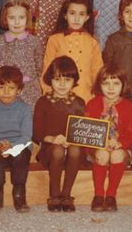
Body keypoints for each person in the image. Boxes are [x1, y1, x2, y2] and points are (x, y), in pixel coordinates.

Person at [33, 56, 86, 212]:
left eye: (67, 80)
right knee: (57, 149)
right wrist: (52, 138)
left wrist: (73, 139)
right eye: (57, 79)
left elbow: (83, 130)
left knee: (75, 149)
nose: (62, 84)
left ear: (74, 81)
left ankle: (66, 195)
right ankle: (55, 195)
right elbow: (36, 132)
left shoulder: (79, 102)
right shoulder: (43, 102)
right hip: (50, 151)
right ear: (50, 80)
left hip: (73, 152)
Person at [85, 64, 132, 212]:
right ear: (99, 85)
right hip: (97, 148)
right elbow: (86, 132)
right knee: (102, 154)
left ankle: (111, 195)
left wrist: (120, 143)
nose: (111, 88)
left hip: (120, 148)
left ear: (123, 85)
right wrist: (99, 144)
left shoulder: (128, 107)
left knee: (116, 155)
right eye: (106, 83)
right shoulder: (93, 104)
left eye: (116, 83)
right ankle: (98, 195)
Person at [0, 66, 33, 214]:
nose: (6, 92)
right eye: (1, 87)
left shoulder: (24, 109)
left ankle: (19, 194)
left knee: (21, 157)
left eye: (11, 88)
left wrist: (12, 147)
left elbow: (26, 135)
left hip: (19, 146)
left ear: (19, 90)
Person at [42, 0, 103, 103]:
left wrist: (96, 98)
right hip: (59, 97)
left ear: (87, 17)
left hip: (85, 97)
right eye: (72, 13)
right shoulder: (54, 40)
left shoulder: (93, 42)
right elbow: (47, 70)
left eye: (81, 14)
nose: (76, 18)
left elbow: (97, 72)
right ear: (65, 15)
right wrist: (48, 95)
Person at [0, 0, 43, 109]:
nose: (17, 22)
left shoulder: (34, 42)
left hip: (29, 95)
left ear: (27, 19)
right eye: (12, 18)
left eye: (21, 18)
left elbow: (39, 69)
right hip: (5, 95)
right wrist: (1, 90)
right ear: (5, 19)